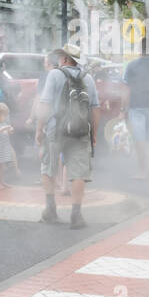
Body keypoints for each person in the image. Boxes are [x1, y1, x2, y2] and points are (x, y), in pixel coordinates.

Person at [36, 44, 100, 228]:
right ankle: (76, 215)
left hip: (55, 130)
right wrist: (93, 133)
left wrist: (39, 130)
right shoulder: (88, 78)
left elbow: (45, 103)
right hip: (80, 131)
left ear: (64, 59)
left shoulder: (55, 74)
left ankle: (50, 211)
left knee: (48, 167)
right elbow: (95, 108)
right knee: (78, 172)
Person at [123, 43, 149, 179]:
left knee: (139, 139)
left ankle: (143, 171)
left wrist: (124, 109)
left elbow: (127, 89)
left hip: (136, 105)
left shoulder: (131, 66)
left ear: (139, 50)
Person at [0, 103, 16, 189]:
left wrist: (10, 130)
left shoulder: (4, 123)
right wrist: (4, 128)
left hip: (3, 148)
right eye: (4, 115)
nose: (5, 117)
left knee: (1, 165)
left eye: (6, 115)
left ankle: (2, 181)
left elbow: (9, 133)